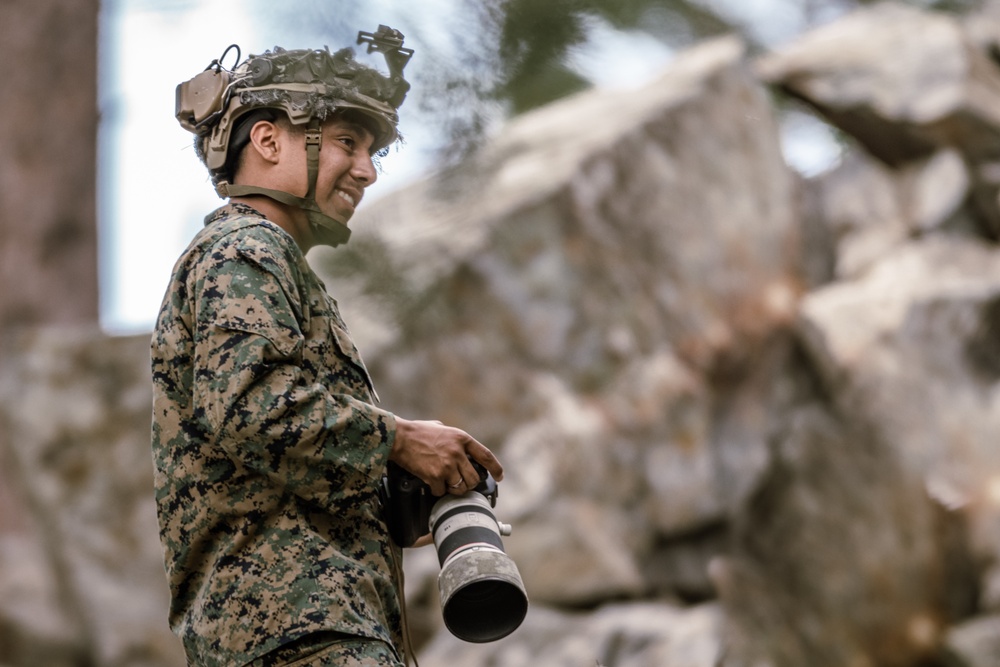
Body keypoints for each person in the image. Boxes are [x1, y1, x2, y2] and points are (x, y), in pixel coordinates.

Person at [151, 27, 503, 667]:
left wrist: (383, 487)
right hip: (300, 632)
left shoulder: (267, 260)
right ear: (267, 140)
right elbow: (252, 408)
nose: (366, 171)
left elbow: (263, 449)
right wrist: (399, 440)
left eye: (372, 152)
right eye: (347, 142)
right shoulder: (244, 250)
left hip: (307, 626)